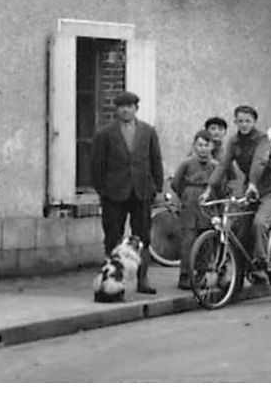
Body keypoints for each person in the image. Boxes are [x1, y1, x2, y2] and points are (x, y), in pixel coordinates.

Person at [88, 90, 163, 295]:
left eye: (130, 106)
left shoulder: (147, 132)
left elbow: (155, 160)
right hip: (114, 193)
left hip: (141, 191)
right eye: (122, 107)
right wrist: (103, 190)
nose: (126, 110)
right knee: (113, 236)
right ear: (116, 110)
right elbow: (96, 165)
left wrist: (157, 188)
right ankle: (113, 279)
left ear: (136, 109)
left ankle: (142, 279)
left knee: (143, 237)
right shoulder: (105, 133)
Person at [205, 105, 271, 273]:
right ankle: (239, 278)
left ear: (254, 122)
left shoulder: (262, 139)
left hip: (268, 190)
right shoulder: (233, 141)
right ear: (235, 122)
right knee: (240, 234)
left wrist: (253, 183)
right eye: (240, 121)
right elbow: (223, 165)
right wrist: (209, 188)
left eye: (248, 121)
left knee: (259, 223)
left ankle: (261, 261)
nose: (244, 125)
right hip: (249, 191)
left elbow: (259, 161)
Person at [166, 131, 218, 291]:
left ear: (212, 147)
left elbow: (222, 184)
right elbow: (176, 183)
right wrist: (186, 195)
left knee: (206, 242)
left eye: (206, 145)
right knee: (187, 241)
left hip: (208, 204)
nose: (203, 149)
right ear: (194, 146)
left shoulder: (216, 166)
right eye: (200, 145)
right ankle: (185, 276)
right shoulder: (186, 163)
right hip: (189, 205)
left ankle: (201, 275)